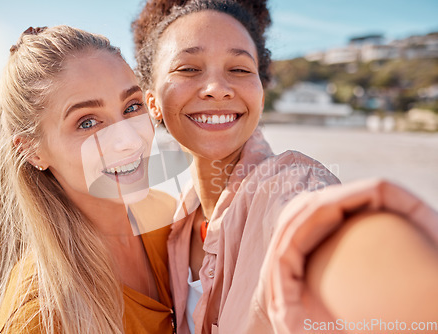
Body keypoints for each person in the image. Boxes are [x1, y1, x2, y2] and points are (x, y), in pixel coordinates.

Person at [132, 0, 438, 333]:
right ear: (153, 103)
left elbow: (319, 228)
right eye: (188, 68)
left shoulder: (290, 184)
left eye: (239, 69)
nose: (218, 89)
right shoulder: (174, 226)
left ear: (260, 95)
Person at [0, 25, 177, 334]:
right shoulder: (41, 314)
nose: (128, 140)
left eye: (131, 106)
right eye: (88, 122)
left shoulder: (168, 217)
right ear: (33, 151)